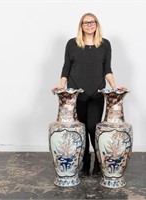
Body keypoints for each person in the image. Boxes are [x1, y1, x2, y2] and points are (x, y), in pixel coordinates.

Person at [53, 13, 127, 178]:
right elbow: (66, 67)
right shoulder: (72, 44)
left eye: (92, 22)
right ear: (81, 25)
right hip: (77, 95)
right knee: (82, 129)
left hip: (96, 94)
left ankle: (99, 163)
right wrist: (62, 84)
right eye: (86, 23)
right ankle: (85, 164)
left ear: (97, 24)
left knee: (93, 128)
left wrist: (115, 85)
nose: (89, 25)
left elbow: (107, 69)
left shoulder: (105, 44)